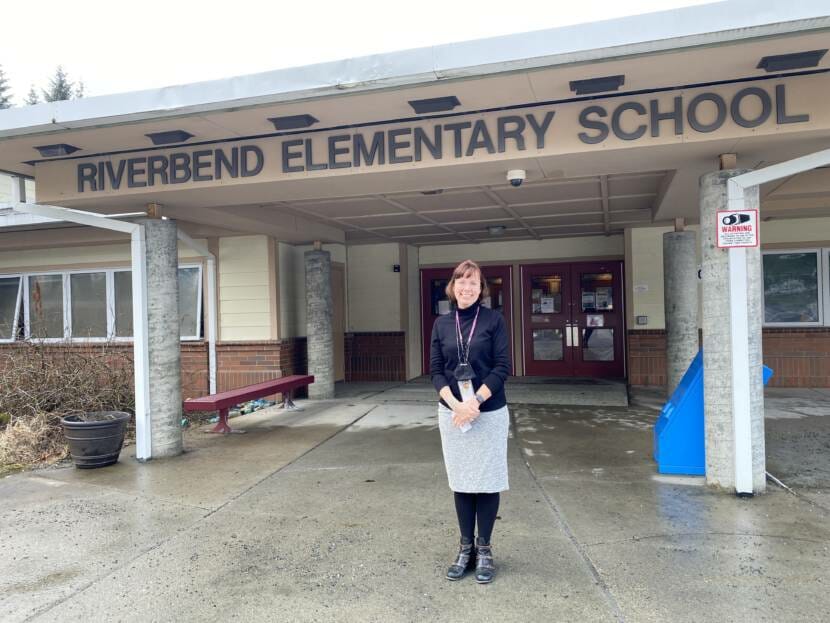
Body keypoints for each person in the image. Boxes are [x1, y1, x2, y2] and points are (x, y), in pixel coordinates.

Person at [430, 259, 511, 584]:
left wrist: (475, 402)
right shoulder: (441, 324)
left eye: (474, 283)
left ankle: (485, 548)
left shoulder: (494, 320)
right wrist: (456, 406)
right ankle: (466, 548)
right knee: (462, 480)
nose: (467, 287)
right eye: (462, 281)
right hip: (452, 412)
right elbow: (436, 371)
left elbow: (503, 366)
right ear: (453, 286)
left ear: (481, 289)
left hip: (488, 411)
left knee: (487, 480)